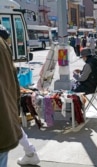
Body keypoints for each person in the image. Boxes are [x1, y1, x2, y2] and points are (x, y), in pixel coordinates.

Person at [0, 24, 40, 166]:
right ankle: (30, 152)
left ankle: (30, 152)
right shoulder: (3, 46)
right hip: (5, 114)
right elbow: (13, 81)